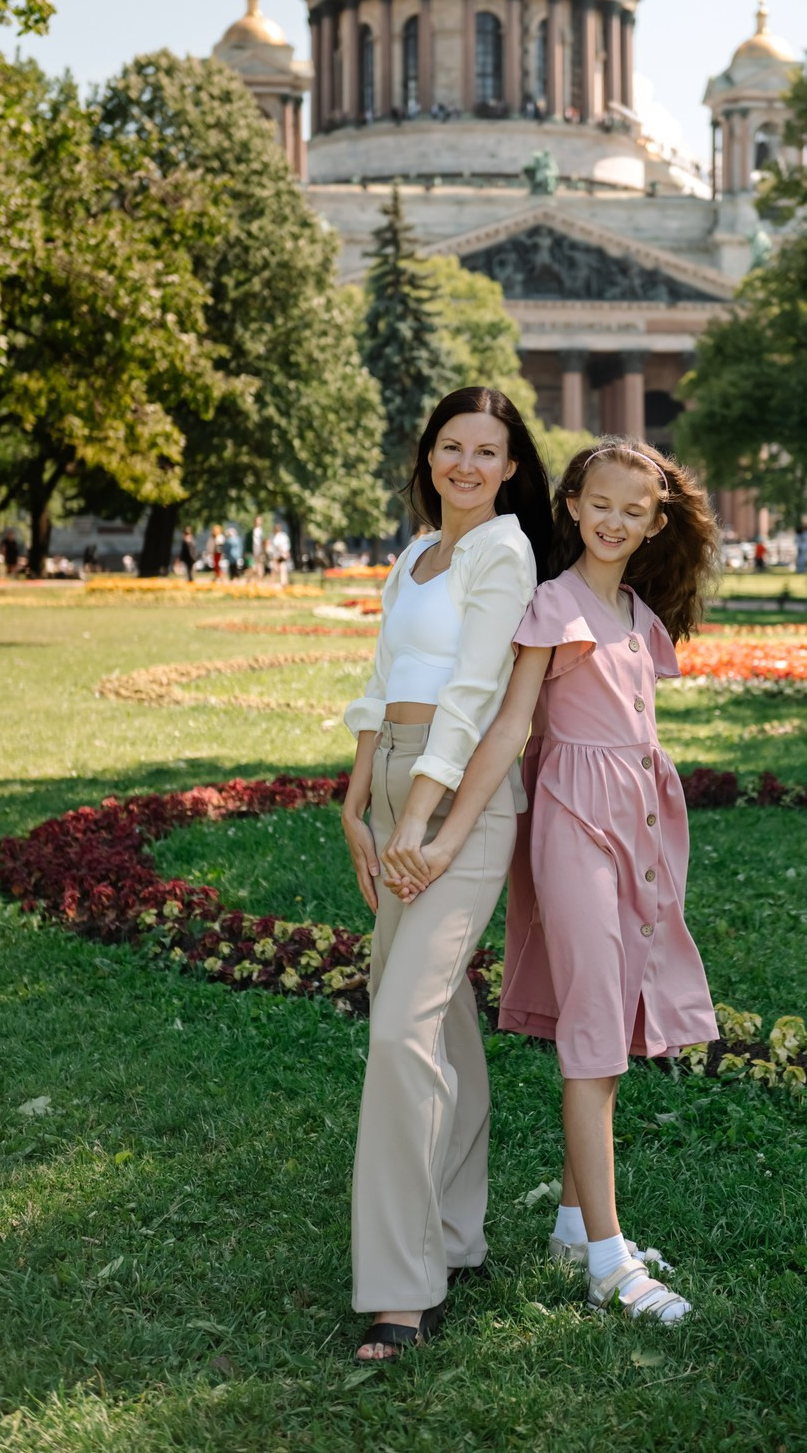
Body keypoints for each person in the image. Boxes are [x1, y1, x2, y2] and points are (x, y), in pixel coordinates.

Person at [386, 438, 719, 1325]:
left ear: (654, 524)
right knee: (596, 1038)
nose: (613, 521)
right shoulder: (552, 606)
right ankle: (610, 1262)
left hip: (639, 828)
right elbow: (507, 731)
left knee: (615, 1005)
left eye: (633, 511)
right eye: (598, 503)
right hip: (574, 827)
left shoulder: (640, 617)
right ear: (571, 504)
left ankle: (576, 1225)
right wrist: (449, 832)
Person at [340, 387, 553, 1363]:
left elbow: (473, 695)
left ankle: (402, 1284)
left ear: (511, 467)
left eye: (486, 449)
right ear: (427, 455)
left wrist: (421, 820)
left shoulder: (503, 550)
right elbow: (387, 676)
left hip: (456, 798)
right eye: (450, 446)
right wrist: (359, 799)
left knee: (399, 1028)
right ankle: (459, 1231)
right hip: (391, 782)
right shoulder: (417, 552)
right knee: (437, 1018)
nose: (466, 463)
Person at [270, 522, 291, 588]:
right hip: (276, 555)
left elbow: (283, 546)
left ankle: (282, 582)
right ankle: (276, 582)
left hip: (281, 554)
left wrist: (284, 552)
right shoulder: (273, 536)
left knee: (281, 567)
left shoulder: (282, 536)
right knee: (276, 568)